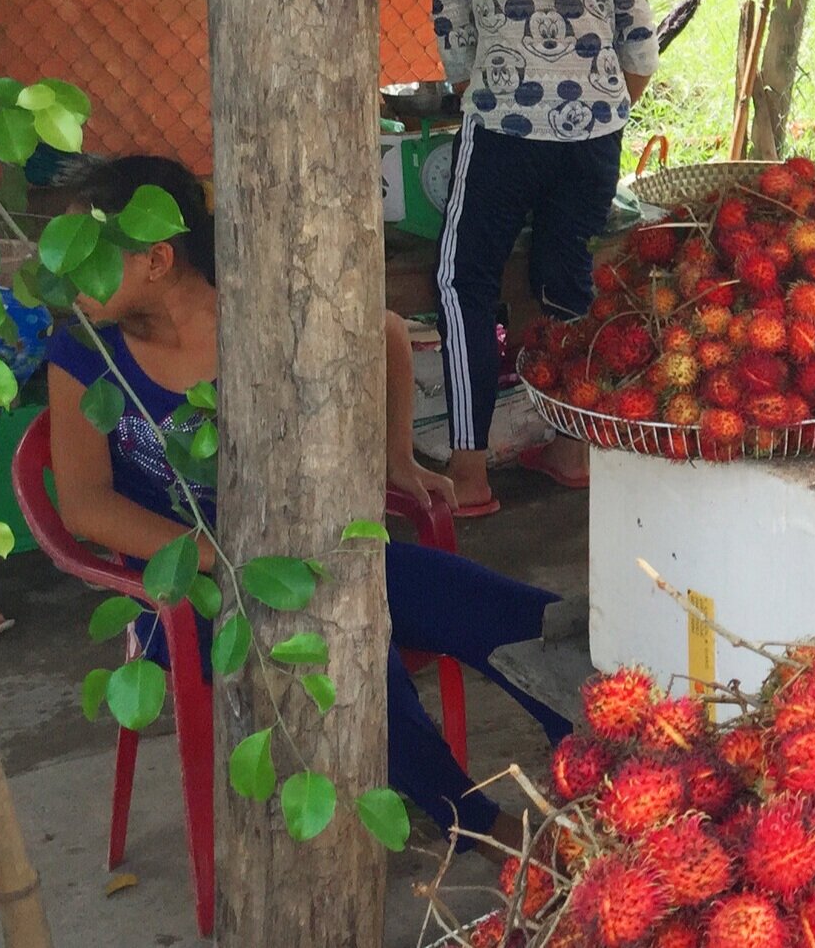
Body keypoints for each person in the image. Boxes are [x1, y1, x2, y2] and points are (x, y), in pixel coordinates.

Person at [44, 156, 573, 846]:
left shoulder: (261, 311)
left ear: (155, 259)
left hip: (316, 557)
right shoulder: (83, 353)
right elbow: (84, 504)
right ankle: (469, 819)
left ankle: (606, 770)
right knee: (346, 648)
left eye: (85, 253)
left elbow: (384, 331)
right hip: (198, 600)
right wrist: (223, 561)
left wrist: (397, 457)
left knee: (524, 619)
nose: (64, 271)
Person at [432, 0, 659, 513]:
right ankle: (572, 449)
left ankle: (467, 475)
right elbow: (640, 52)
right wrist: (596, 110)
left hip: (501, 136)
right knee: (567, 279)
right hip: (592, 141)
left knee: (465, 281)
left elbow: (460, 68)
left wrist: (512, 106)